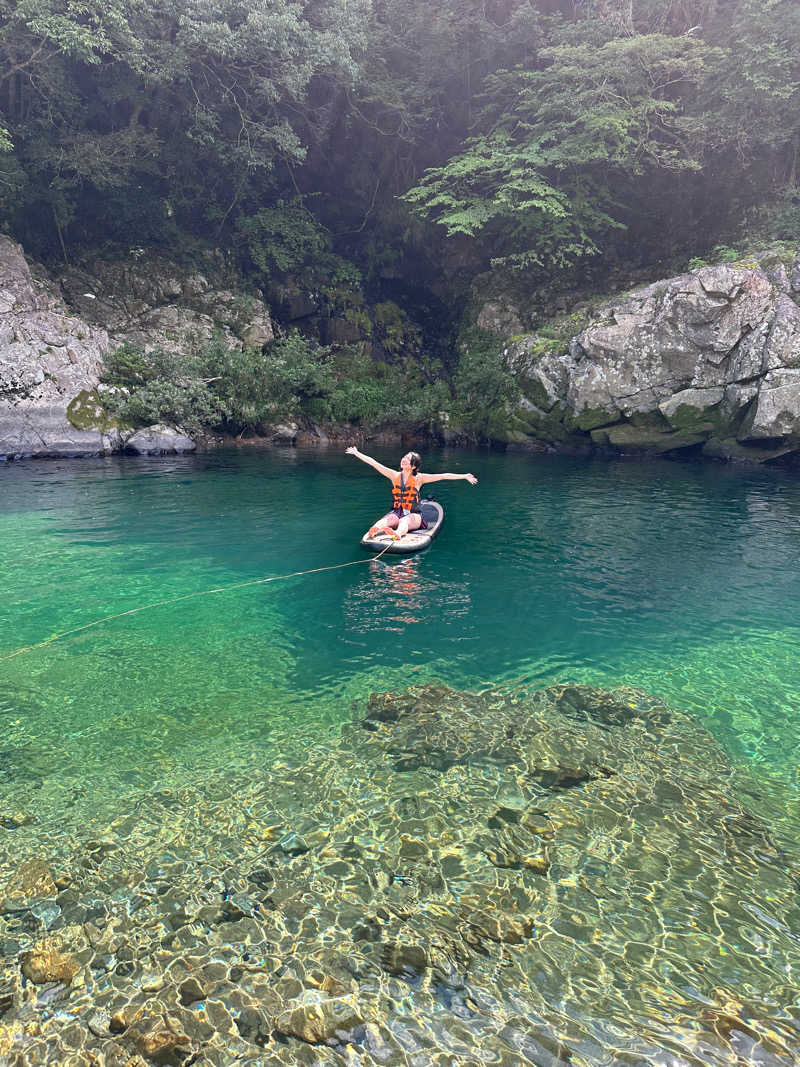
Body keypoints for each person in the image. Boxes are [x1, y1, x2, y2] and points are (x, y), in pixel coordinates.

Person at [346, 446, 478, 540]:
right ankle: (375, 529)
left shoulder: (419, 478)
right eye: (404, 457)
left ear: (413, 466)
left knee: (404, 521)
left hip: (415, 516)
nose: (403, 460)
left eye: (407, 459)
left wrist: (464, 476)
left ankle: (397, 534)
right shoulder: (394, 475)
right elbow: (374, 463)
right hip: (397, 512)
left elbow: (443, 475)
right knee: (386, 520)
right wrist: (357, 453)